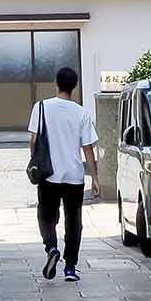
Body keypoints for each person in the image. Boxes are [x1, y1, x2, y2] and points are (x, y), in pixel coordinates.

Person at [28, 66, 100, 282]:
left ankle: (51, 248)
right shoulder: (81, 113)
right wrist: (95, 178)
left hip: (49, 174)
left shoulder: (41, 107)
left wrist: (35, 162)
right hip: (74, 176)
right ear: (75, 86)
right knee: (74, 221)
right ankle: (70, 267)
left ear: (56, 83)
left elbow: (33, 140)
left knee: (46, 216)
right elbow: (88, 148)